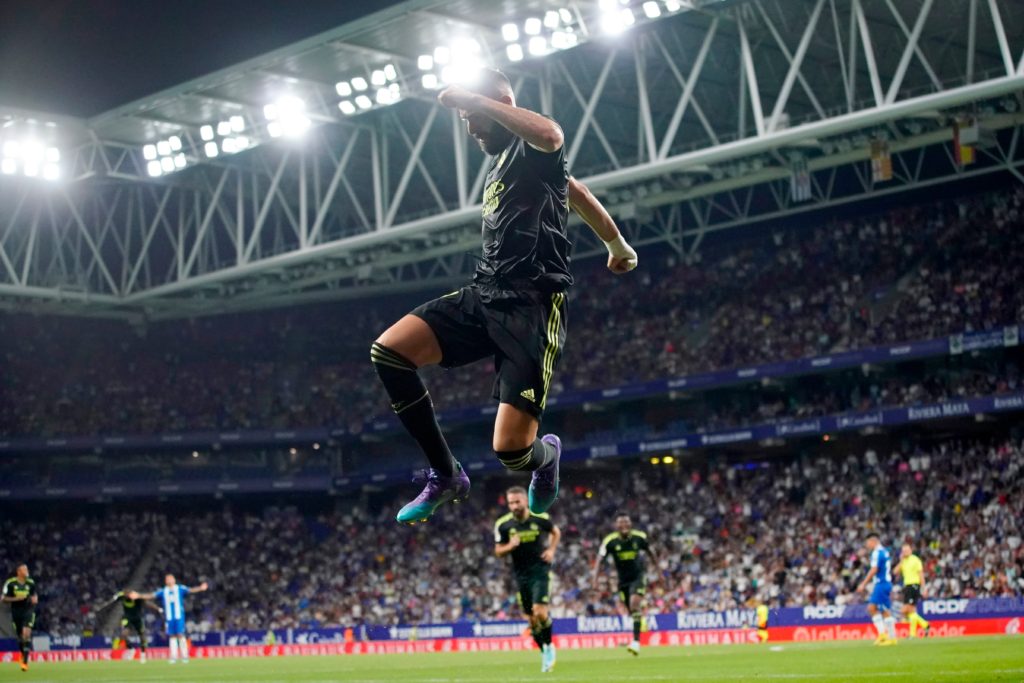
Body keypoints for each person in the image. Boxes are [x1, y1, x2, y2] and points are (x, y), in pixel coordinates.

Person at [372, 67, 637, 525]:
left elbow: (552, 135)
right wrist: (617, 245)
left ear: (501, 107)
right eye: (467, 121)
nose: (472, 130)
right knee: (389, 352)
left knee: (512, 451)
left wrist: (475, 100)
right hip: (486, 292)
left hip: (533, 306)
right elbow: (574, 190)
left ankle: (546, 458)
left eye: (475, 118)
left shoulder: (534, 146)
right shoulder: (504, 160)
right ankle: (445, 473)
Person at [495, 486, 561, 672]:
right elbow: (498, 551)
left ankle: (550, 646)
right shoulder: (503, 525)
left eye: (517, 502)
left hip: (540, 571)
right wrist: (510, 545)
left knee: (540, 612)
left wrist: (551, 550)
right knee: (531, 621)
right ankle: (543, 651)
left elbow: (556, 532)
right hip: (520, 575)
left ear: (526, 501)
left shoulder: (540, 518)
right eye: (511, 503)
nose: (514, 506)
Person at [591, 513, 657, 655]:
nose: (624, 525)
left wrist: (659, 572)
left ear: (630, 524)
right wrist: (594, 579)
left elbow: (651, 552)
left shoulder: (639, 537)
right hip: (623, 581)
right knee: (631, 610)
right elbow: (599, 559)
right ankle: (640, 617)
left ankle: (636, 642)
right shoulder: (610, 541)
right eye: (621, 522)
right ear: (616, 525)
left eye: (626, 522)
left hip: (638, 577)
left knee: (634, 604)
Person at [130, 575, 208, 664]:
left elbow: (190, 590)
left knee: (180, 635)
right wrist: (139, 595)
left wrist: (200, 588)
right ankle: (173, 657)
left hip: (179, 616)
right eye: (167, 579)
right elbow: (151, 595)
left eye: (171, 579)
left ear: (174, 580)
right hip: (169, 617)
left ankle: (185, 656)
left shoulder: (179, 588)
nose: (169, 580)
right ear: (166, 581)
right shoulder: (163, 591)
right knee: (172, 636)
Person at [97, 588, 163, 662]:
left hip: (138, 619)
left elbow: (147, 603)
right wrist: (102, 607)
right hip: (128, 618)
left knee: (141, 636)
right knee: (123, 634)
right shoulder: (121, 596)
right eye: (127, 595)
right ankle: (131, 649)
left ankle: (143, 654)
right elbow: (112, 601)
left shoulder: (136, 597)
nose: (129, 596)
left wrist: (158, 608)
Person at [856, 533, 897, 646]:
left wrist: (863, 584)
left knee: (884, 610)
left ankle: (891, 637)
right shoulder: (884, 551)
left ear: (873, 541)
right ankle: (883, 635)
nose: (867, 545)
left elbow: (874, 569)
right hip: (884, 583)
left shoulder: (877, 552)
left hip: (882, 584)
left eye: (867, 542)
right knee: (872, 608)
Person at [2, 564, 37, 672]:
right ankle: (22, 654)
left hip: (28, 611)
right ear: (18, 571)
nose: (27, 571)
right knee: (20, 637)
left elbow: (34, 595)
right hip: (16, 612)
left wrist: (35, 599)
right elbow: (3, 598)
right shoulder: (10, 583)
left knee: (26, 633)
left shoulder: (31, 583)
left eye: (27, 569)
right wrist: (17, 599)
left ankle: (25, 662)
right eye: (24, 569)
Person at [893, 543, 931, 638]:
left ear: (910, 550)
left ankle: (921, 627)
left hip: (914, 585)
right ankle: (923, 626)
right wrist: (901, 561)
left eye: (907, 550)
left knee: (905, 610)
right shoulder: (903, 561)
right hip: (907, 587)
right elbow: (895, 572)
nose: (905, 552)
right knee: (911, 611)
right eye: (903, 551)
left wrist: (923, 588)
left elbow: (921, 575)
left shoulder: (915, 560)